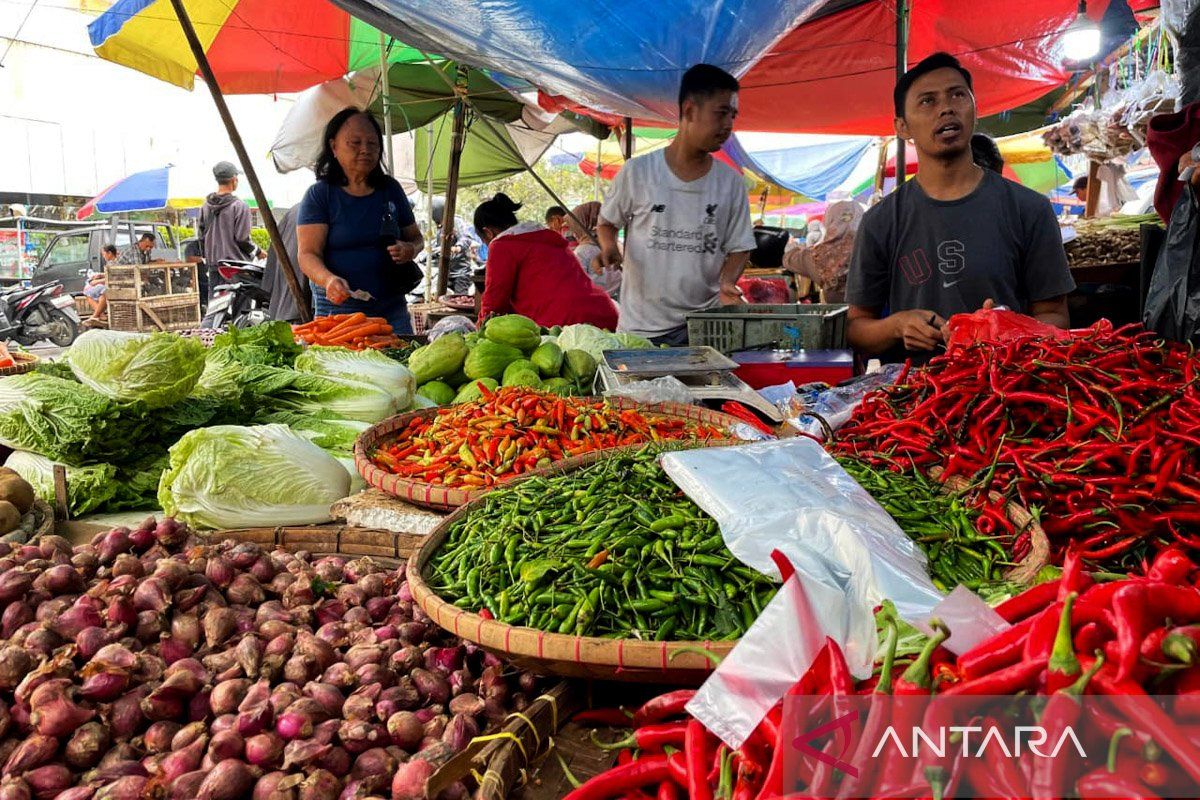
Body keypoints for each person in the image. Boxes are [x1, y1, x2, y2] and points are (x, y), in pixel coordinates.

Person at [845, 52, 1074, 364]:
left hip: (1007, 391)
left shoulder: (1029, 209)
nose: (947, 108)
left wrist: (1006, 329)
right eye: (928, 101)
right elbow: (858, 328)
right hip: (919, 398)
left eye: (957, 95)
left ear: (975, 108)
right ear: (902, 126)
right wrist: (897, 326)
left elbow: (1055, 317)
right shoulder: (881, 222)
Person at [597, 63, 756, 345]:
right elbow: (607, 222)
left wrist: (727, 282)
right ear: (689, 110)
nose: (728, 125)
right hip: (640, 329)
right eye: (721, 113)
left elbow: (740, 246)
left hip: (701, 329)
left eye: (733, 115)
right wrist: (609, 247)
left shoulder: (731, 183)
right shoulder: (638, 172)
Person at [297, 108, 424, 333]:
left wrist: (409, 249)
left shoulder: (390, 189)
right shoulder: (320, 195)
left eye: (373, 144)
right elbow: (307, 254)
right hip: (338, 313)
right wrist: (328, 280)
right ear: (334, 147)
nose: (365, 150)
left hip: (392, 308)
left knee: (402, 363)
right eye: (355, 143)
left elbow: (416, 238)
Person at [475, 193, 618, 329]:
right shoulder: (547, 237)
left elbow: (494, 302)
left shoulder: (501, 245)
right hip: (605, 313)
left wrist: (479, 330)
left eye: (484, 241)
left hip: (565, 323)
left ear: (488, 232)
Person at [199, 161, 262, 297]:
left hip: (215, 265)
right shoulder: (240, 206)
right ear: (234, 179)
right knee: (240, 311)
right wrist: (258, 252)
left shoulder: (205, 206)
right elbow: (242, 238)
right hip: (236, 267)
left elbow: (201, 237)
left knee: (215, 309)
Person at [783, 200, 863, 303]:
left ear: (829, 221)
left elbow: (788, 258)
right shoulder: (874, 248)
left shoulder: (819, 255)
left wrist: (796, 246)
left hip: (838, 316)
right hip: (881, 316)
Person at [566, 201, 620, 300]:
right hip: (619, 302)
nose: (573, 233)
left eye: (573, 228)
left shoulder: (581, 252)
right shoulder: (614, 248)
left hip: (596, 303)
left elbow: (576, 285)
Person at [263, 206, 309, 323]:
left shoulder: (294, 210)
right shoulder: (323, 207)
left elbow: (273, 255)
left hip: (284, 301)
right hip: (302, 300)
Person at [82, 244, 117, 328]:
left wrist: (96, 282)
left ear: (109, 253)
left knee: (87, 292)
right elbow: (109, 275)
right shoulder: (112, 262)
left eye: (103, 254)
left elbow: (113, 279)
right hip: (110, 285)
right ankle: (100, 315)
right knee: (102, 296)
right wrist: (101, 275)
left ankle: (97, 315)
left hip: (113, 286)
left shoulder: (114, 263)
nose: (103, 256)